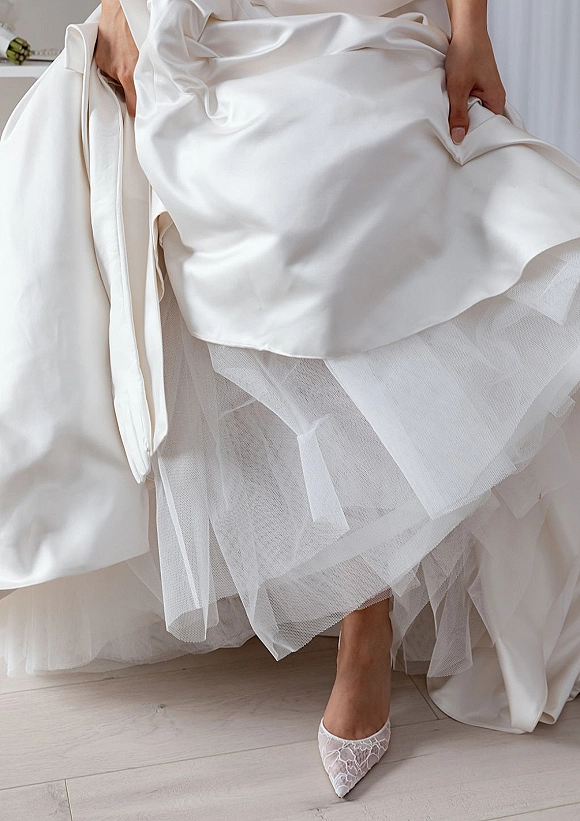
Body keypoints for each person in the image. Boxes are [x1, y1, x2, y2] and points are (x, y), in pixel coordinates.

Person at [1, 0, 580, 800]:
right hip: (213, 14)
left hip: (365, 17)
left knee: (355, 183)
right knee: (201, 169)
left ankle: (365, 617)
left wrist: (471, 28)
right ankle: (320, 564)